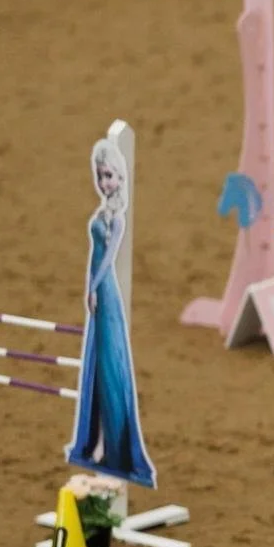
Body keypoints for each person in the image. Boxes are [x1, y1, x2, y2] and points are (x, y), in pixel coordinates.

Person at [65, 137, 157, 490]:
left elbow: (107, 259)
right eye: (100, 175)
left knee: (108, 370)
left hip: (105, 293)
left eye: (109, 176)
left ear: (120, 177)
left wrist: (92, 287)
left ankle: (112, 447)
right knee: (99, 370)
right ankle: (99, 442)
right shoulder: (104, 212)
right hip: (97, 293)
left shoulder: (116, 219)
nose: (104, 182)